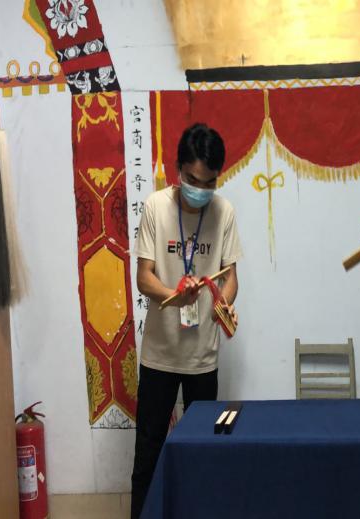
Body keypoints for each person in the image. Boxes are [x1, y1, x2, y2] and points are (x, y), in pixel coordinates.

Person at [130, 123, 242, 518]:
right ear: (178, 171)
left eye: (209, 182)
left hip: (202, 358)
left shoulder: (224, 212)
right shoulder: (155, 207)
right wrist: (176, 296)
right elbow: (143, 277)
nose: (200, 190)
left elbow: (231, 278)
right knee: (148, 452)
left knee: (204, 452)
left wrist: (222, 303)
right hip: (159, 355)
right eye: (193, 180)